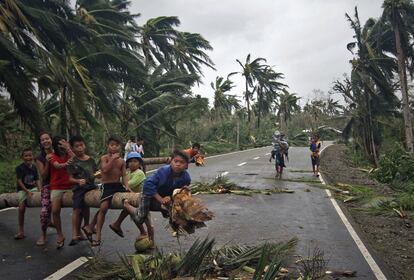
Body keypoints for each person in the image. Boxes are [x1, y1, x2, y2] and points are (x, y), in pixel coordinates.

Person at [122, 150, 191, 241]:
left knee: (172, 212)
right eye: (175, 161)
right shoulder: (163, 171)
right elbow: (148, 184)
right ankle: (127, 206)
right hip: (148, 193)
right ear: (171, 162)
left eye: (181, 162)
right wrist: (160, 199)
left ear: (186, 165)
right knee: (140, 218)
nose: (178, 164)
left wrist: (173, 196)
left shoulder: (186, 177)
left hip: (164, 194)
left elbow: (180, 189)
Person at [82, 135, 131, 247]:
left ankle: (117, 224)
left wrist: (127, 186)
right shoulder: (104, 158)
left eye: (117, 145)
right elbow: (104, 169)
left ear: (120, 147)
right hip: (107, 186)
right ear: (107, 146)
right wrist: (112, 159)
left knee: (131, 201)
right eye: (112, 145)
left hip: (117, 185)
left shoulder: (122, 161)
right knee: (103, 207)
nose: (114, 147)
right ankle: (98, 236)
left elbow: (124, 174)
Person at [109, 152, 154, 242]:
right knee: (133, 214)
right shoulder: (129, 173)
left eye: (135, 161)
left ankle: (151, 240)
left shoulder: (140, 173)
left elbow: (129, 184)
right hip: (133, 198)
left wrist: (122, 183)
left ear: (139, 163)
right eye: (130, 162)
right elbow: (121, 181)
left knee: (148, 223)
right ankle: (141, 232)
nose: (132, 163)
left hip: (142, 199)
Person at [67, 135, 97, 246]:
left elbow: (96, 173)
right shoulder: (72, 162)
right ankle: (74, 234)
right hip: (79, 188)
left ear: (85, 145)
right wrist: (78, 181)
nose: (80, 148)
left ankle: (87, 225)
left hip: (91, 187)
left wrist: (99, 175)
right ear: (72, 148)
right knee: (77, 209)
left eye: (81, 145)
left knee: (86, 207)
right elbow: (70, 179)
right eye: (77, 146)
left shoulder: (91, 160)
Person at [49, 136, 75, 249]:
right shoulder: (51, 156)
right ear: (55, 146)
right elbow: (57, 166)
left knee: (80, 206)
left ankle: (78, 232)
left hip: (71, 185)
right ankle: (60, 235)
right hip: (57, 186)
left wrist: (68, 149)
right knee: (55, 210)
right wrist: (66, 164)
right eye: (59, 144)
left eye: (63, 142)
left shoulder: (70, 154)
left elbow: (78, 160)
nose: (62, 146)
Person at [14, 148, 41, 240]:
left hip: (32, 189)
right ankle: (21, 231)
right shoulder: (19, 168)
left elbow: (37, 180)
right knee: (21, 208)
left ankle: (49, 221)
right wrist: (26, 191)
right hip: (23, 190)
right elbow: (19, 181)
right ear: (22, 157)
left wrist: (40, 190)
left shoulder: (34, 167)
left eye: (30, 155)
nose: (28, 157)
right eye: (26, 155)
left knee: (44, 201)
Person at [35, 132, 54, 246]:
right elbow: (43, 176)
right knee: (44, 211)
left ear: (51, 140)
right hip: (48, 186)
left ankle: (79, 233)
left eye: (47, 138)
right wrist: (48, 161)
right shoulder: (39, 158)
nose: (45, 141)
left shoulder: (58, 152)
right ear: (40, 143)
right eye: (42, 140)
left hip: (61, 184)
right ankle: (43, 234)